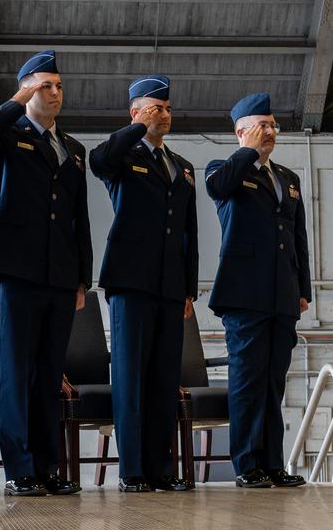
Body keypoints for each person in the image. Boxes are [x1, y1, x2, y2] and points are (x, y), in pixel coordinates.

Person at [0, 50, 89, 496]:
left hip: (59, 274)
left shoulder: (72, 149)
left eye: (58, 86)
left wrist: (82, 278)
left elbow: (80, 218)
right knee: (16, 373)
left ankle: (47, 466)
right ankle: (21, 469)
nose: (54, 93)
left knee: (49, 371)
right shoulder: (10, 133)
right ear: (27, 89)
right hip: (17, 269)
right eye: (44, 86)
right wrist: (17, 99)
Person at [89, 75, 198, 492]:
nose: (164, 115)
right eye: (155, 109)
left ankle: (161, 468)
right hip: (131, 280)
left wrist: (188, 287)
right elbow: (99, 161)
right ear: (135, 112)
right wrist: (137, 127)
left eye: (167, 109)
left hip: (170, 286)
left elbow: (188, 233)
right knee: (132, 377)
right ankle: (133, 470)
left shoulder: (182, 167)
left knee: (163, 378)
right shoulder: (124, 155)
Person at [205, 92, 309, 489]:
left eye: (272, 125)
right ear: (241, 132)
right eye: (261, 126)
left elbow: (297, 237)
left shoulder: (288, 178)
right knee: (248, 382)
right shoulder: (225, 168)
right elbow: (220, 189)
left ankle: (273, 463)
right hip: (244, 295)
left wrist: (302, 289)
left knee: (274, 383)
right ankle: (247, 464)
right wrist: (248, 152)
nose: (269, 132)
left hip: (282, 295)